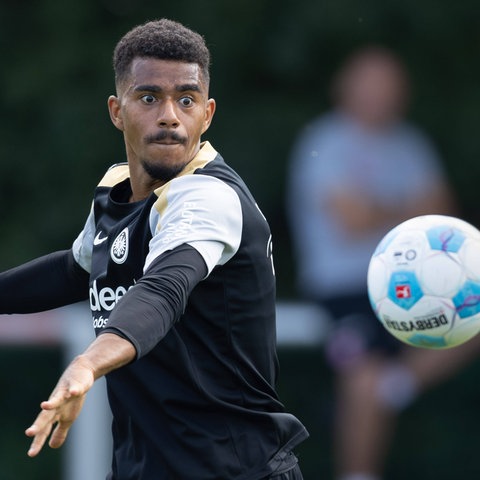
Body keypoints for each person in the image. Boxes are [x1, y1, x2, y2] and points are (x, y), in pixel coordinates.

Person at [0, 19, 308, 480]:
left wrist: (88, 362)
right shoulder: (116, 194)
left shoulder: (208, 197)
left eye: (186, 100)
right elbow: (76, 269)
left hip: (235, 472)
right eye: (149, 98)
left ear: (207, 114)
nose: (170, 115)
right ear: (116, 111)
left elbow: (163, 289)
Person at [287, 45, 480, 480]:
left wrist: (381, 209)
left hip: (418, 280)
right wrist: (410, 208)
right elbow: (350, 220)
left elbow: (445, 213)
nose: (382, 93)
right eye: (372, 81)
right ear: (347, 86)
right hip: (345, 288)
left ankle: (395, 387)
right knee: (361, 372)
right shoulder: (325, 140)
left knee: (474, 315)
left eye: (390, 83)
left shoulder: (411, 143)